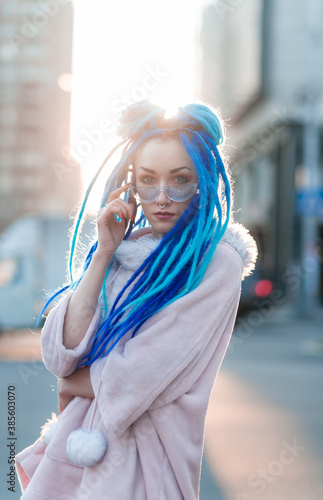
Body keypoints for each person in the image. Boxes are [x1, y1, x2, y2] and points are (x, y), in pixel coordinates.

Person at [15, 100, 257, 500]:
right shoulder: (125, 252)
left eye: (180, 180)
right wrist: (104, 253)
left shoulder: (216, 262)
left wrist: (79, 380)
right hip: (74, 453)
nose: (161, 197)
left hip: (146, 462)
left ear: (202, 182)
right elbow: (60, 356)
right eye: (147, 180)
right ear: (131, 184)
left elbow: (145, 371)